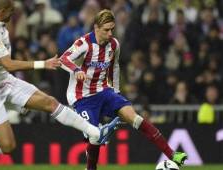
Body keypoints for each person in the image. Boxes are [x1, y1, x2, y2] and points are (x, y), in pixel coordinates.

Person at [0, 0, 119, 155]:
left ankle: (96, 132)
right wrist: (43, 63)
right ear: (1, 12)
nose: (13, 11)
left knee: (50, 102)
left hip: (5, 81)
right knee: (7, 147)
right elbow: (8, 64)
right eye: (10, 9)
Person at [60, 9, 187, 170]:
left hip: (104, 91)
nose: (110, 33)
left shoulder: (114, 45)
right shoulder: (83, 44)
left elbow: (115, 67)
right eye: (106, 30)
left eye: (112, 29)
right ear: (96, 27)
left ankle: (172, 154)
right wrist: (76, 70)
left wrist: (116, 91)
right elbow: (63, 59)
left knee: (136, 118)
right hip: (81, 97)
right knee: (95, 136)